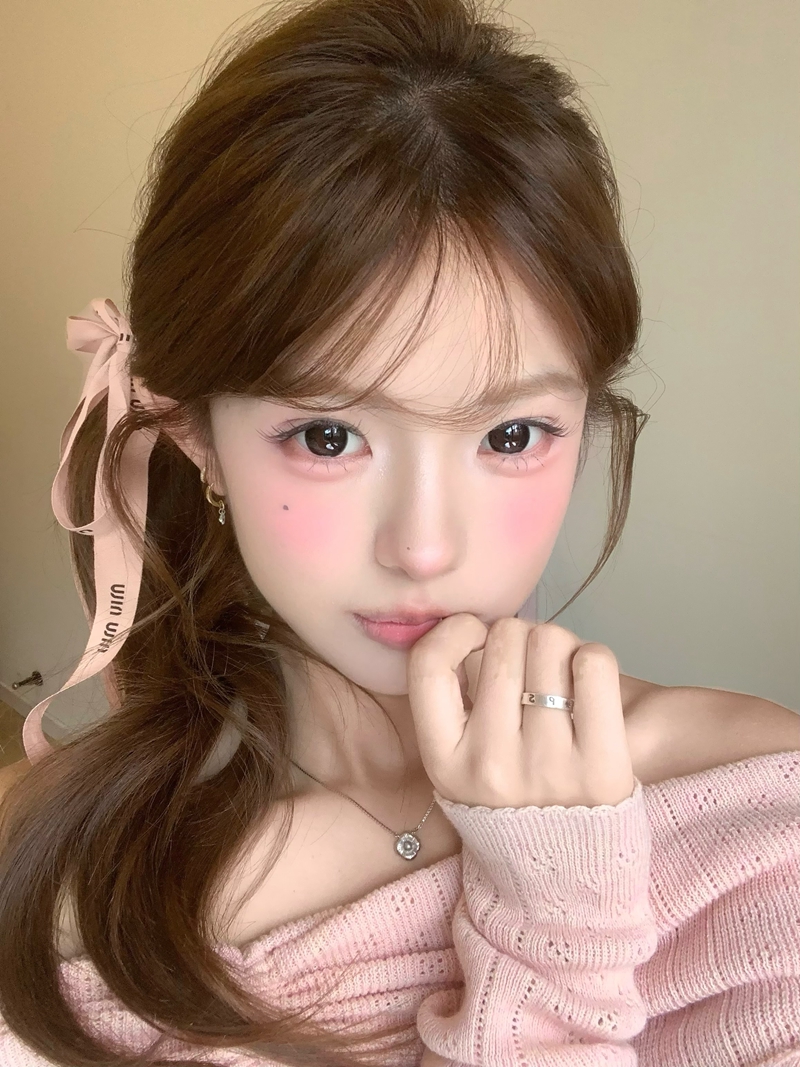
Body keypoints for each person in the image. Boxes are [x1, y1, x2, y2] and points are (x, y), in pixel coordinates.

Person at [1, 0, 798, 1064]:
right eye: (328, 435)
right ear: (195, 440)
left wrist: (559, 916)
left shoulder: (754, 808)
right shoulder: (69, 877)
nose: (424, 548)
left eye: (511, 433)